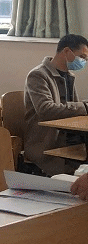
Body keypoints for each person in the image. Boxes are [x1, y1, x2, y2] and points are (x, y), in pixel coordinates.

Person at [24, 34, 88, 175]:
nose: (83, 62)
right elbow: (46, 110)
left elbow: (73, 109)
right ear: (66, 51)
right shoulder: (38, 75)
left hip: (70, 139)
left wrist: (84, 106)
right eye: (82, 57)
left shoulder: (69, 76)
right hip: (47, 143)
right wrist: (84, 107)